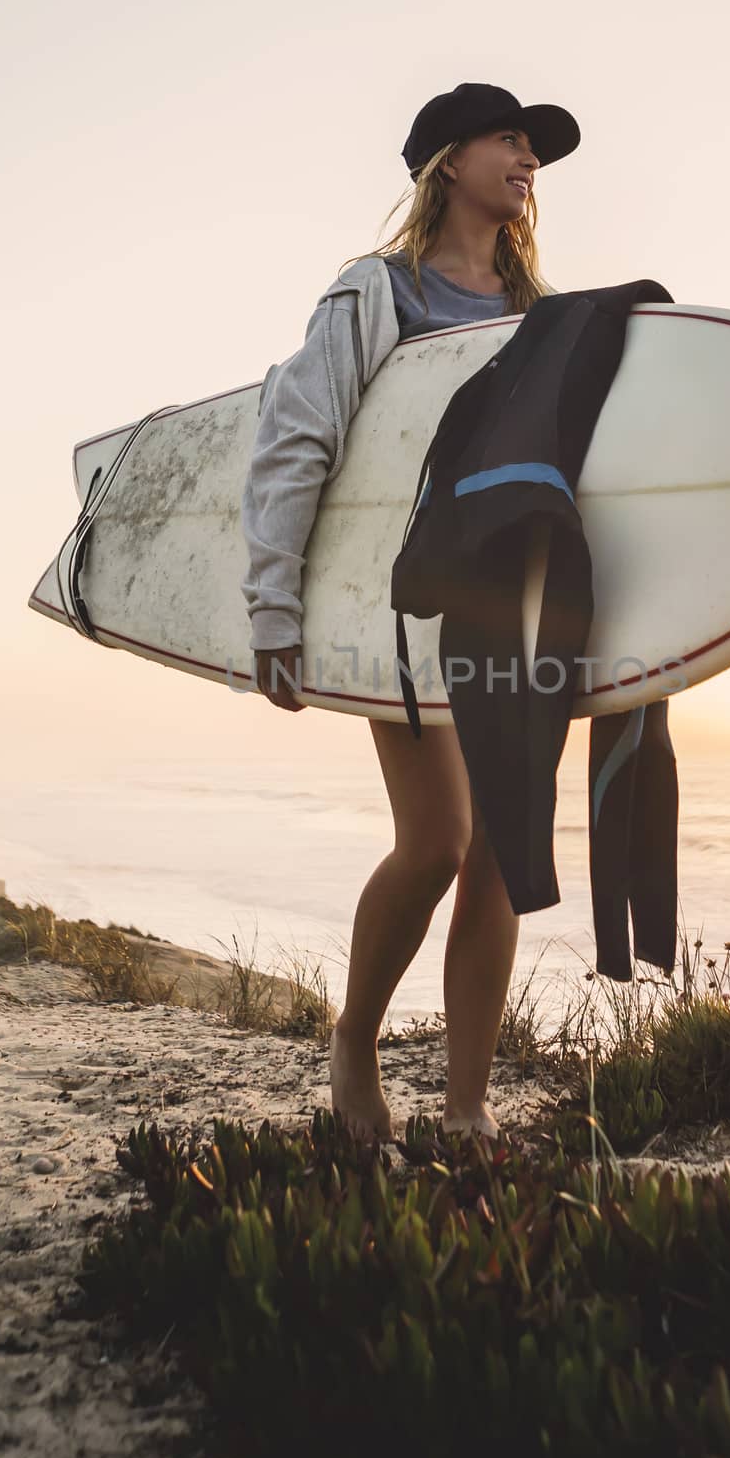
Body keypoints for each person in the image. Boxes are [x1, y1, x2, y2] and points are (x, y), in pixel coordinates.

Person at [239, 84, 582, 1144]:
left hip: (516, 610)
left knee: (500, 856)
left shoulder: (544, 316)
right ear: (447, 160)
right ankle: (354, 1043)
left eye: (536, 150)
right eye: (509, 140)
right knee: (436, 841)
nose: (529, 160)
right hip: (405, 606)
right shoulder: (376, 294)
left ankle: (468, 1104)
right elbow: (299, 442)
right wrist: (274, 606)